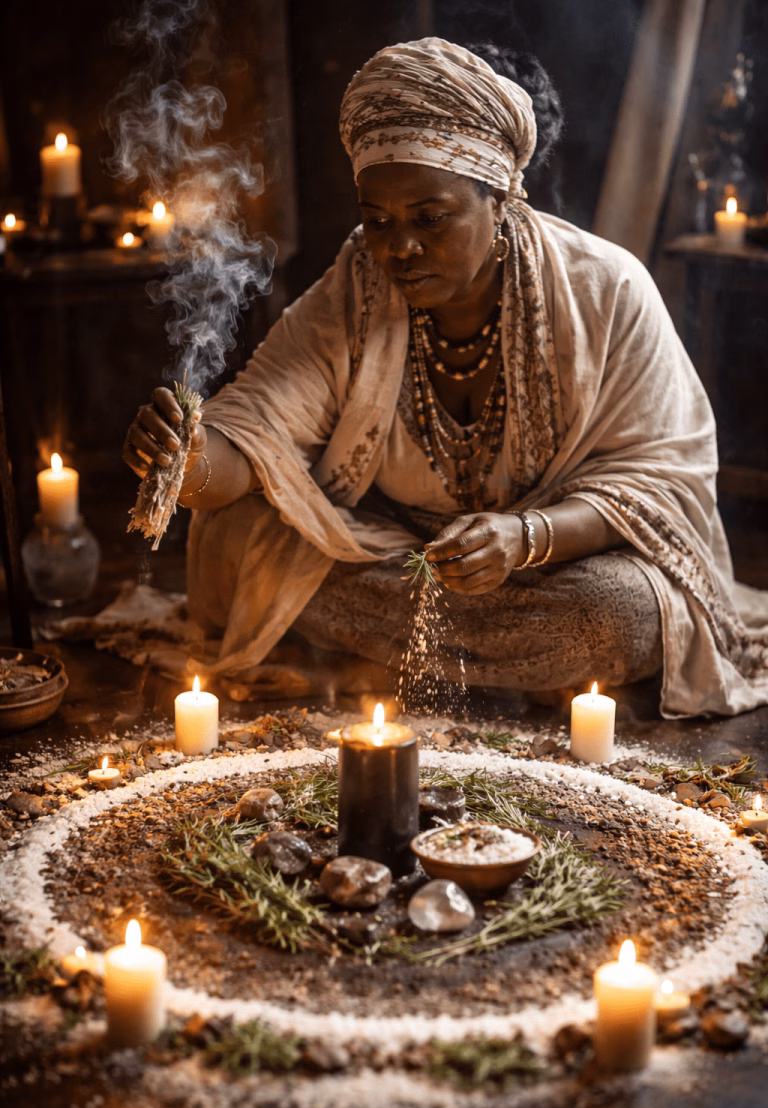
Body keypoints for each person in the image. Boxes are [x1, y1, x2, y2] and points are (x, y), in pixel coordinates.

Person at [123, 37, 768, 717]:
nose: (399, 247)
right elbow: (255, 436)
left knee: (620, 612)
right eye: (377, 221)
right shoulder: (356, 286)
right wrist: (186, 457)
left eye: (431, 218)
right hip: (403, 562)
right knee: (231, 533)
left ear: (498, 200)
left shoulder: (606, 288)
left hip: (556, 566)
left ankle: (401, 658)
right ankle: (507, 672)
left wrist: (526, 538)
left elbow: (661, 483)